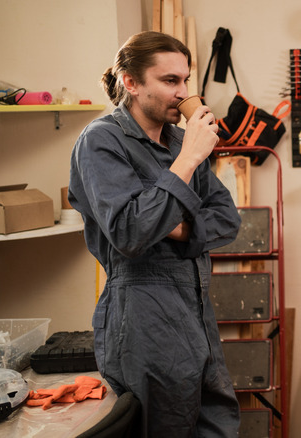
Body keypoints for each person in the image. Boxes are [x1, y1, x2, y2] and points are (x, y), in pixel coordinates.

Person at [68, 31, 241, 437]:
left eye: (185, 80)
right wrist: (190, 159)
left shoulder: (178, 140)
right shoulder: (101, 141)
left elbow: (227, 219)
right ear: (131, 82)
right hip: (144, 317)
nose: (182, 93)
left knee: (218, 425)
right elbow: (129, 232)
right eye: (169, 81)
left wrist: (170, 225)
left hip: (197, 312)